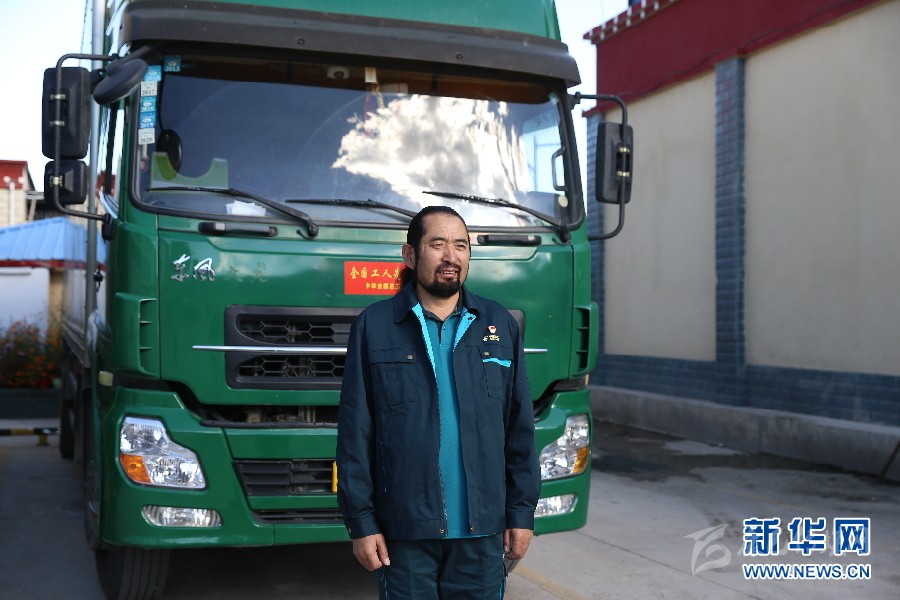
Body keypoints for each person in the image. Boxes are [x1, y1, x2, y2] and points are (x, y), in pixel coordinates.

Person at [336, 205, 540, 599]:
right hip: (405, 531)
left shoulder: (498, 324)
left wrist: (521, 513)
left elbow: (519, 428)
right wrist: (361, 521)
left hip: (482, 532)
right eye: (438, 244)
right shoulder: (374, 326)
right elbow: (355, 434)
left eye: (461, 246)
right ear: (410, 255)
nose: (451, 256)